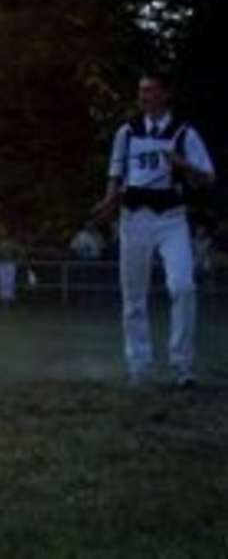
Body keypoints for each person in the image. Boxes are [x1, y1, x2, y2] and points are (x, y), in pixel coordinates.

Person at [91, 71, 215, 388]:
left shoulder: (183, 133)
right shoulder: (127, 132)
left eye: (150, 90)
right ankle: (139, 366)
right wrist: (108, 202)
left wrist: (182, 165)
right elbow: (117, 175)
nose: (143, 96)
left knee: (183, 287)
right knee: (133, 296)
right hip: (134, 218)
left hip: (171, 218)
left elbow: (208, 177)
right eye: (141, 91)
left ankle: (182, 365)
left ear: (165, 94)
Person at [0, 234, 26, 309]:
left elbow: (21, 251)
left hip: (10, 263)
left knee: (10, 281)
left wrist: (19, 260)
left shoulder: (13, 244)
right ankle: (4, 301)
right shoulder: (0, 244)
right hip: (1, 263)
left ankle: (8, 300)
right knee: (3, 282)